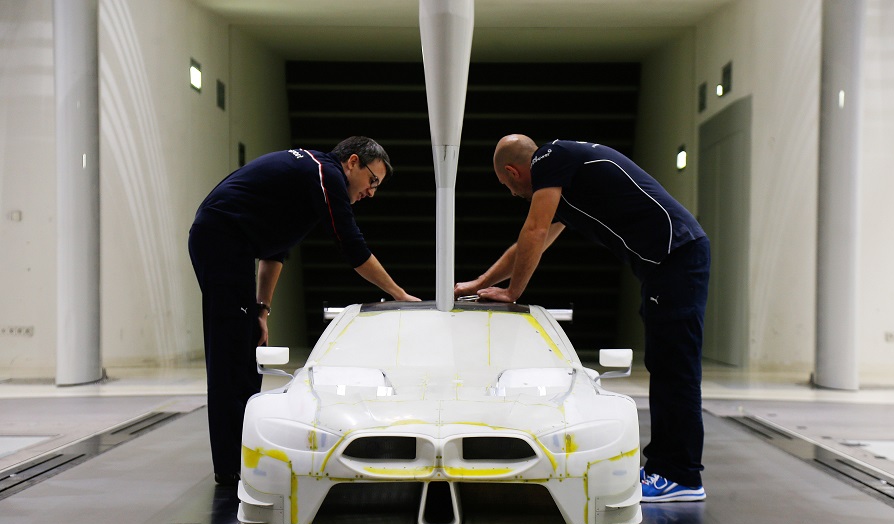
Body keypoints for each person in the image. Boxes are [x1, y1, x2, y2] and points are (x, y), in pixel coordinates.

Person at [455, 134, 710, 502]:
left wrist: (512, 293)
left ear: (512, 171)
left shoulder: (550, 158)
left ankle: (680, 475)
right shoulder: (565, 179)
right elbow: (530, 244)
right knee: (665, 363)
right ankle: (665, 466)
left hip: (678, 256)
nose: (511, 193)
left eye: (506, 185)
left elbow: (534, 230)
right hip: (667, 264)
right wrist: (479, 283)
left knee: (675, 368)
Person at [189, 136, 420, 485]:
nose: (372, 193)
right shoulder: (324, 173)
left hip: (231, 242)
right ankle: (230, 465)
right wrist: (399, 294)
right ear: (352, 162)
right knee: (229, 353)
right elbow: (351, 245)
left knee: (246, 347)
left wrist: (261, 310)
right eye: (372, 180)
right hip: (221, 238)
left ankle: (242, 453)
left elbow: (275, 252)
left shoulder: (307, 182)